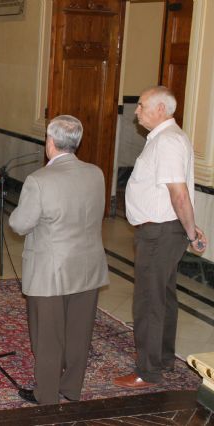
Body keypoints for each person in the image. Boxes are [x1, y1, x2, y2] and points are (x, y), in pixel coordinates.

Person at [9, 115, 109, 405]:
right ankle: (71, 389)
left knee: (48, 337)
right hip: (88, 266)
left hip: (51, 271)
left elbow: (20, 224)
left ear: (49, 142)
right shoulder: (96, 173)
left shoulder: (39, 180)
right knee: (79, 333)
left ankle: (47, 395)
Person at [114, 86, 208, 389]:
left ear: (160, 110)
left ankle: (147, 370)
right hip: (165, 229)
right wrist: (189, 229)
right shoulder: (165, 138)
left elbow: (178, 193)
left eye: (141, 106)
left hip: (160, 233)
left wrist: (191, 232)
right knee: (164, 296)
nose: (136, 111)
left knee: (149, 301)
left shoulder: (167, 141)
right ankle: (164, 357)